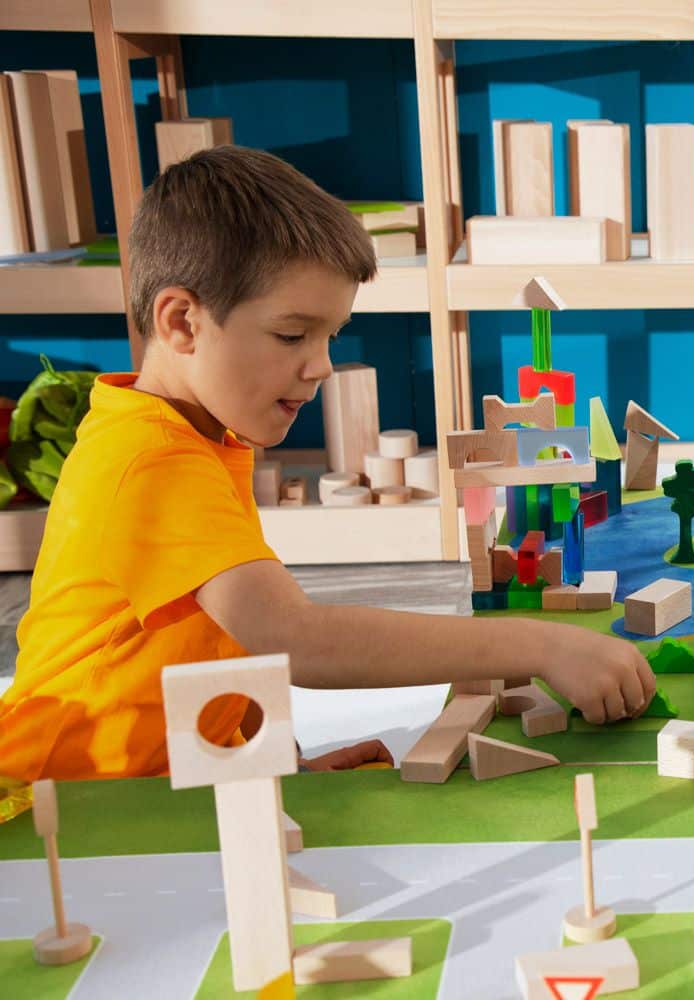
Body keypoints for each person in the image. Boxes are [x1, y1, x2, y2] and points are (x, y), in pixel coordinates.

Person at [0, 146, 654, 782]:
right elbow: (294, 636)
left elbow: (213, 637)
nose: (320, 366)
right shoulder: (152, 462)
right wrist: (542, 645)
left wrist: (276, 756)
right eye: (292, 335)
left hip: (158, 779)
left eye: (329, 336)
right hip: (67, 797)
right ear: (182, 322)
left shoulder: (194, 435)